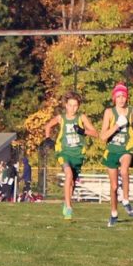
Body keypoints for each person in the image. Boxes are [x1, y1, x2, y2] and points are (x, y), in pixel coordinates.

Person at [44, 91, 98, 220]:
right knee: (68, 174)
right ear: (65, 105)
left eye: (75, 105)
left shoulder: (82, 117)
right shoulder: (60, 118)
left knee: (72, 182)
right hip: (63, 152)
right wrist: (48, 139)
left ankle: (67, 202)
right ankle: (68, 207)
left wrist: (82, 131)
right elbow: (48, 126)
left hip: (78, 154)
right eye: (70, 105)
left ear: (78, 106)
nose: (72, 108)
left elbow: (95, 133)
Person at [99, 83, 133, 227]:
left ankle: (126, 200)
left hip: (127, 146)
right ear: (114, 98)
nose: (121, 99)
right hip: (112, 149)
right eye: (118, 96)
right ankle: (114, 213)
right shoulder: (109, 112)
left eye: (123, 96)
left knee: (124, 170)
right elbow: (102, 136)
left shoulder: (132, 110)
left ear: (127, 97)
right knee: (113, 187)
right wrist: (117, 126)